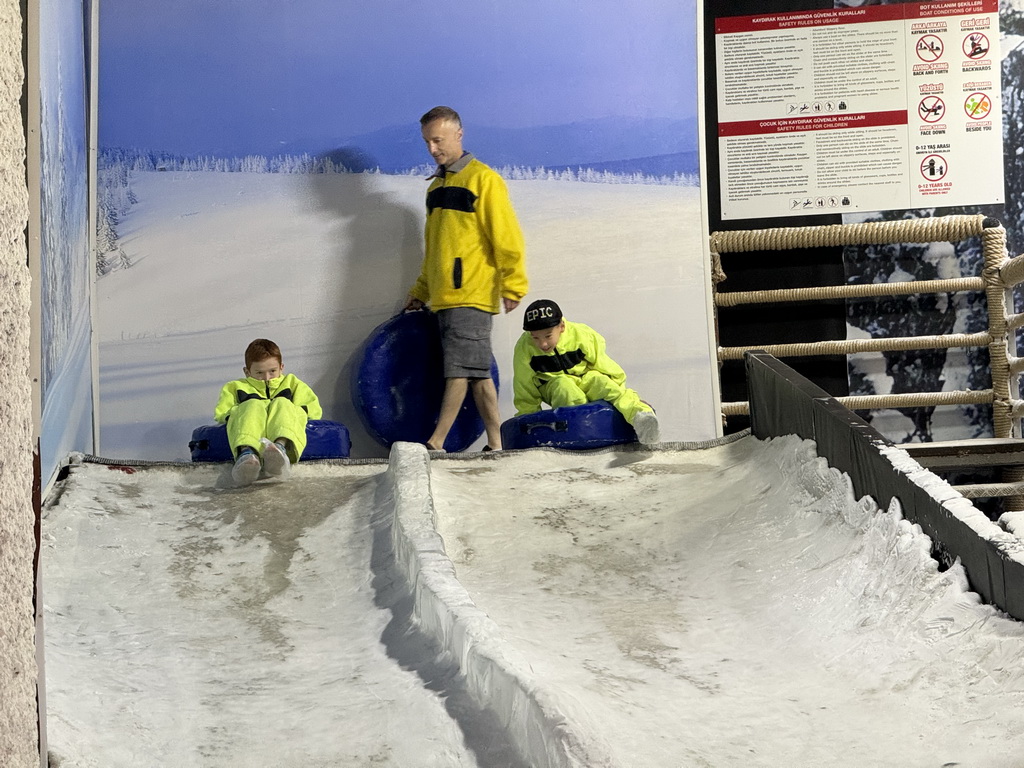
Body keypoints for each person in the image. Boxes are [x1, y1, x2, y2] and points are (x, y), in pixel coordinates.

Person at [404, 105, 528, 452]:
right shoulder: (436, 188)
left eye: (438, 140)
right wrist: (421, 290)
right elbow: (434, 249)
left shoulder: (483, 180)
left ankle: (436, 441)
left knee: (458, 369)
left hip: (471, 294)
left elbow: (506, 236)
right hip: (446, 297)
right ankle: (496, 443)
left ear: (459, 135)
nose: (433, 149)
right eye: (427, 142)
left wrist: (513, 283)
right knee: (477, 373)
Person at [512, 299, 660, 445]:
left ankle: (641, 417)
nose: (542, 344)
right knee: (565, 388)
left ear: (561, 327)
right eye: (535, 338)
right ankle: (577, 432)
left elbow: (604, 364)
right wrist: (528, 420)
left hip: (585, 377)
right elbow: (524, 386)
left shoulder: (581, 335)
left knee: (603, 383)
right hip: (552, 383)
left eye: (548, 336)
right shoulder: (524, 349)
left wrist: (620, 390)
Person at [214, 338, 323, 486]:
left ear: (281, 367)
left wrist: (293, 411)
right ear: (247, 371)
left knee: (282, 403)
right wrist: (241, 412)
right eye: (259, 372)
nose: (266, 378)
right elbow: (223, 412)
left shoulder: (292, 384)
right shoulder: (235, 387)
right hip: (249, 433)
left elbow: (312, 409)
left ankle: (278, 450)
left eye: (272, 371)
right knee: (252, 405)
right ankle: (247, 455)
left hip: (285, 436)